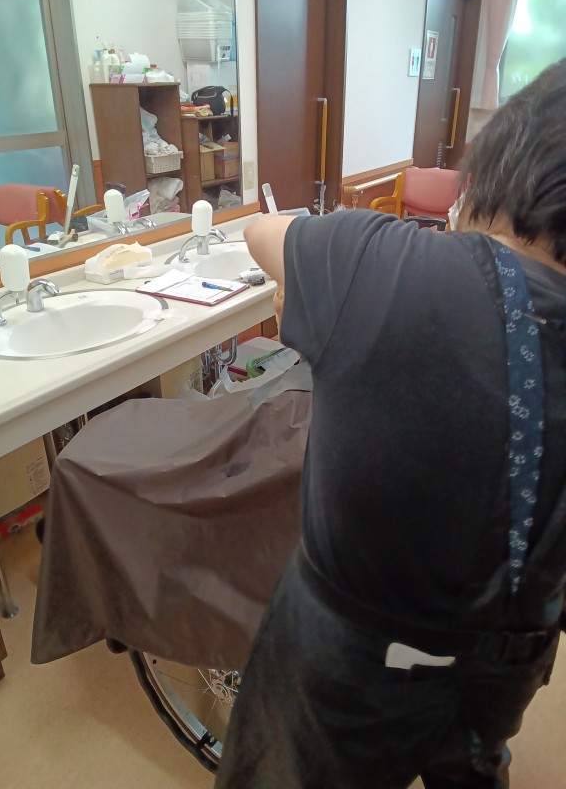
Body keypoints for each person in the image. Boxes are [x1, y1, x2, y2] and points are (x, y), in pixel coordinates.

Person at [214, 58, 566, 789]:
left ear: (505, 165)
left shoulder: (382, 262)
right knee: (472, 753)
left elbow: (261, 232)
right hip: (507, 666)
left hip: (347, 667)